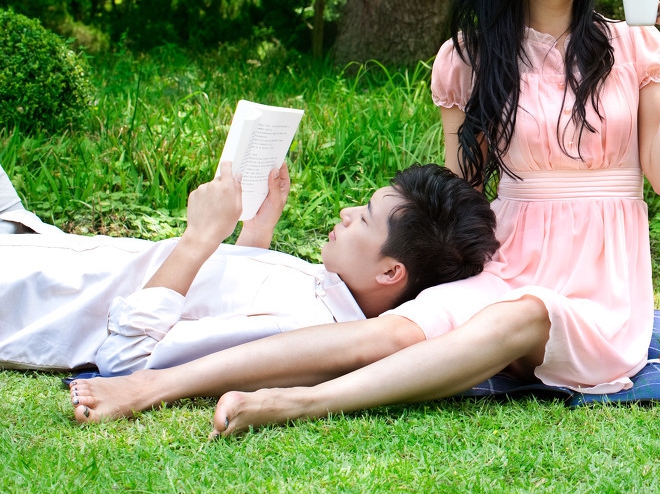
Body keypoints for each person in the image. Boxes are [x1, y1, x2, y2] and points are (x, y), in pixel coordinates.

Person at [69, 0, 660, 434]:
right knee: (392, 332)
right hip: (506, 263)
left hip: (599, 287)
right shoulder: (470, 58)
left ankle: (303, 403)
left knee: (526, 316)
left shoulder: (633, 47)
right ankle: (155, 383)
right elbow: (460, 193)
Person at [1, 159, 498, 375]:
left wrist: (200, 238)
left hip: (31, 292)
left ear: (390, 273)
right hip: (43, 243)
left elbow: (126, 358)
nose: (347, 213)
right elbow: (220, 299)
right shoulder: (328, 289)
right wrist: (257, 234)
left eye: (364, 218)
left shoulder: (305, 330)